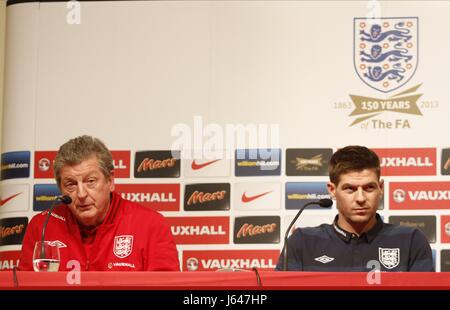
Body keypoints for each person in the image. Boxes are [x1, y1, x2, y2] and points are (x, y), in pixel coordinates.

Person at [19, 135, 180, 271]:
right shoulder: (42, 226)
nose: (81, 194)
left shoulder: (150, 225)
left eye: (90, 181)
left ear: (110, 181)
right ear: (61, 189)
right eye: (71, 185)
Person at [276, 145, 434, 272]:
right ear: (332, 190)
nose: (360, 198)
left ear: (381, 188)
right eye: (350, 189)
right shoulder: (302, 242)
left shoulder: (411, 240)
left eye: (369, 188)